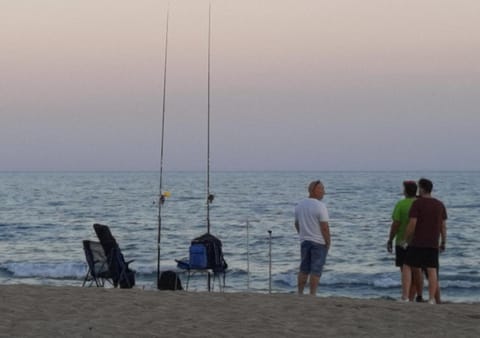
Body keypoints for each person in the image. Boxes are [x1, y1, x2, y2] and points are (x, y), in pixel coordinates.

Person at [401, 178, 447, 304]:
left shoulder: (417, 204)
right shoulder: (440, 204)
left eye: (419, 187)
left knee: (407, 265)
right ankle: (431, 299)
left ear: (422, 188)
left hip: (418, 242)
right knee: (432, 270)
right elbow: (443, 226)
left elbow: (412, 223)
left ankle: (405, 297)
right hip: (433, 243)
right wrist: (443, 241)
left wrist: (405, 239)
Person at [387, 180, 423, 301]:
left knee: (405, 270)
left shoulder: (401, 204)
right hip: (418, 242)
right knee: (416, 270)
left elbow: (395, 224)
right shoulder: (420, 203)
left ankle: (406, 296)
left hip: (402, 241)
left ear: (405, 191)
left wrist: (390, 239)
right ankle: (416, 295)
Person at [294, 180, 331, 295]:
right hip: (319, 242)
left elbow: (296, 223)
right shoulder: (320, 206)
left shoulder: (300, 205)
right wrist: (328, 242)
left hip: (305, 241)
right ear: (314, 190)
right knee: (316, 270)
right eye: (321, 189)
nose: (324, 192)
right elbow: (324, 227)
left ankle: (300, 293)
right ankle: (312, 294)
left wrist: (302, 234)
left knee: (304, 269)